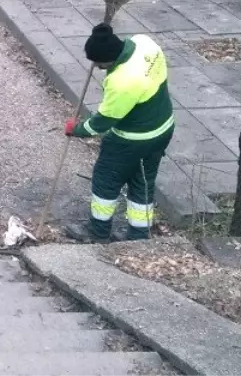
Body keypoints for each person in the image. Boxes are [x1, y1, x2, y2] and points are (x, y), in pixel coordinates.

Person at [63, 24, 175, 243]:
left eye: (99, 63)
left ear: (110, 60)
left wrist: (75, 129)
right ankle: (139, 236)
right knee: (142, 182)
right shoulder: (145, 44)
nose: (96, 67)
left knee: (106, 180)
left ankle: (97, 232)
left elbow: (101, 123)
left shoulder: (122, 82)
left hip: (131, 141)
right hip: (162, 129)